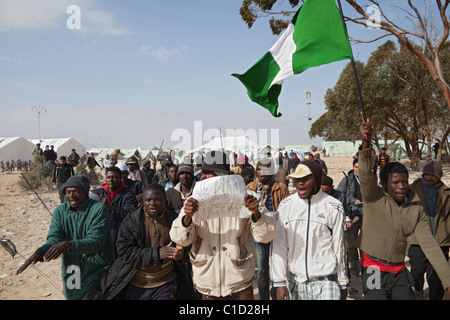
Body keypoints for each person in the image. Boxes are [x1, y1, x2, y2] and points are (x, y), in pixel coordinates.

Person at [358, 114, 450, 300]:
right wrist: (365, 141)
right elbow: (367, 174)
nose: (402, 186)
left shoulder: (415, 209)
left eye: (404, 181)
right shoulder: (373, 197)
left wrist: (448, 282)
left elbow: (430, 245)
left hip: (399, 271)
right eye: (396, 182)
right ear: (384, 184)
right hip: (373, 269)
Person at [169, 150, 278, 300]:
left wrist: (256, 214)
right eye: (203, 173)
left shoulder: (249, 198)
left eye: (209, 173)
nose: (204, 177)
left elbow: (268, 235)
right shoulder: (193, 201)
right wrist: (187, 218)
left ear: (223, 176)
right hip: (207, 284)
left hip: (240, 283)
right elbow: (179, 238)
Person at [85, 184, 191, 300]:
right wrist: (156, 253)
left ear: (165, 199)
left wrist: (180, 255)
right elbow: (124, 252)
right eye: (148, 200)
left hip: (166, 283)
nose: (152, 203)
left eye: (157, 200)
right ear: (143, 201)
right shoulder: (132, 221)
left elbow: (185, 247)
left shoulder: (174, 219)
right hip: (137, 283)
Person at [16, 175, 114, 300]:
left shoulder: (98, 209)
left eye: (76, 191)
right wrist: (40, 252)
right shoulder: (60, 211)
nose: (71, 196)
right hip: (72, 265)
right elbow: (55, 238)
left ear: (85, 191)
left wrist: (68, 245)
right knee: (72, 296)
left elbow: (96, 241)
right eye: (68, 192)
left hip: (97, 265)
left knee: (91, 296)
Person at [270, 161, 348, 300]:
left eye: (306, 179)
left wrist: (342, 283)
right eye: (297, 179)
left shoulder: (333, 206)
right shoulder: (286, 206)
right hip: (297, 282)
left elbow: (340, 247)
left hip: (327, 281)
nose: (300, 183)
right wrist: (280, 282)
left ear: (316, 179)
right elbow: (279, 246)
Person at [246, 159, 289, 300]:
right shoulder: (250, 188)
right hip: (259, 235)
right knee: (262, 270)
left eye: (265, 170)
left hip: (276, 233)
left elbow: (286, 210)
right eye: (259, 169)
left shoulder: (281, 188)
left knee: (277, 267)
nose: (262, 173)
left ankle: (275, 295)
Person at [408, 161, 450, 300]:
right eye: (427, 174)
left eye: (433, 175)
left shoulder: (447, 193)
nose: (429, 178)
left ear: (439, 176)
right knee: (417, 270)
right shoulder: (412, 189)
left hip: (440, 240)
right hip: (417, 240)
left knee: (436, 279)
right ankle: (418, 289)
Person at [93, 166, 138, 247]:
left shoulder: (128, 195)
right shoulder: (98, 192)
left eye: (114, 177)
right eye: (108, 177)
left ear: (121, 178)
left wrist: (110, 207)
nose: (111, 180)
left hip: (119, 232)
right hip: (100, 230)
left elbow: (130, 213)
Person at [336, 158, 363, 278]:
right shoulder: (346, 180)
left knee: (366, 242)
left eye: (360, 167)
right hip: (352, 214)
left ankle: (365, 265)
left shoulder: (369, 179)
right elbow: (339, 197)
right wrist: (353, 200)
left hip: (366, 214)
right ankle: (355, 266)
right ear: (353, 167)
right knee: (351, 243)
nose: (358, 169)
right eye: (356, 167)